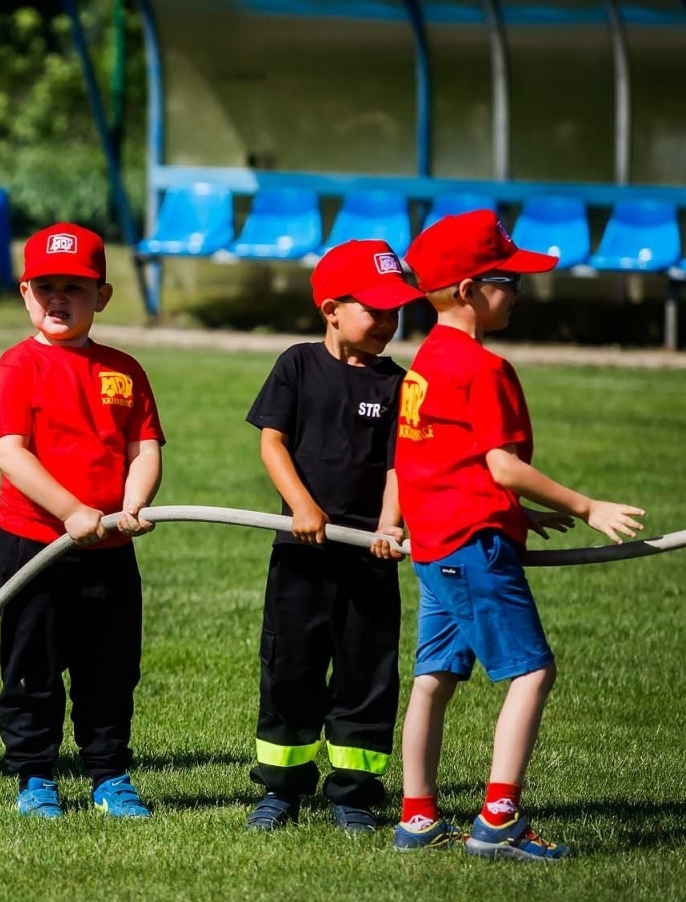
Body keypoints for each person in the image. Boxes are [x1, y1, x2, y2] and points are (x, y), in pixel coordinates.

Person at [392, 210, 646, 860]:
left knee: (433, 678)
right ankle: (499, 818)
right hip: (471, 548)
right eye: (508, 279)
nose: (520, 291)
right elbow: (501, 463)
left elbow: (445, 463)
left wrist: (514, 514)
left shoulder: (425, 359)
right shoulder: (483, 367)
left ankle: (417, 816)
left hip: (435, 545)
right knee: (532, 672)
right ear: (470, 288)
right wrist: (588, 505)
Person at [0, 223, 164, 820]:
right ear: (26, 292)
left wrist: (132, 503)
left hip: (109, 545)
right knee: (33, 663)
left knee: (110, 665)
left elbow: (145, 445)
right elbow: (9, 450)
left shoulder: (124, 369)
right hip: (35, 543)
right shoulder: (18, 365)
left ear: (102, 297)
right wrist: (71, 511)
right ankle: (35, 776)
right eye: (47, 286)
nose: (59, 299)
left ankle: (109, 774)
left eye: (76, 288)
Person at [242, 240, 422, 834]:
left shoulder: (400, 385)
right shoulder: (296, 364)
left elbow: (400, 466)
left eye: (397, 312)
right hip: (301, 553)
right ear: (331, 309)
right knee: (290, 667)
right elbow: (272, 442)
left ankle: (355, 792)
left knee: (367, 673)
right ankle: (280, 790)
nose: (388, 323)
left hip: (370, 557)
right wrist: (303, 507)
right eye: (375, 310)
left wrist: (390, 525)